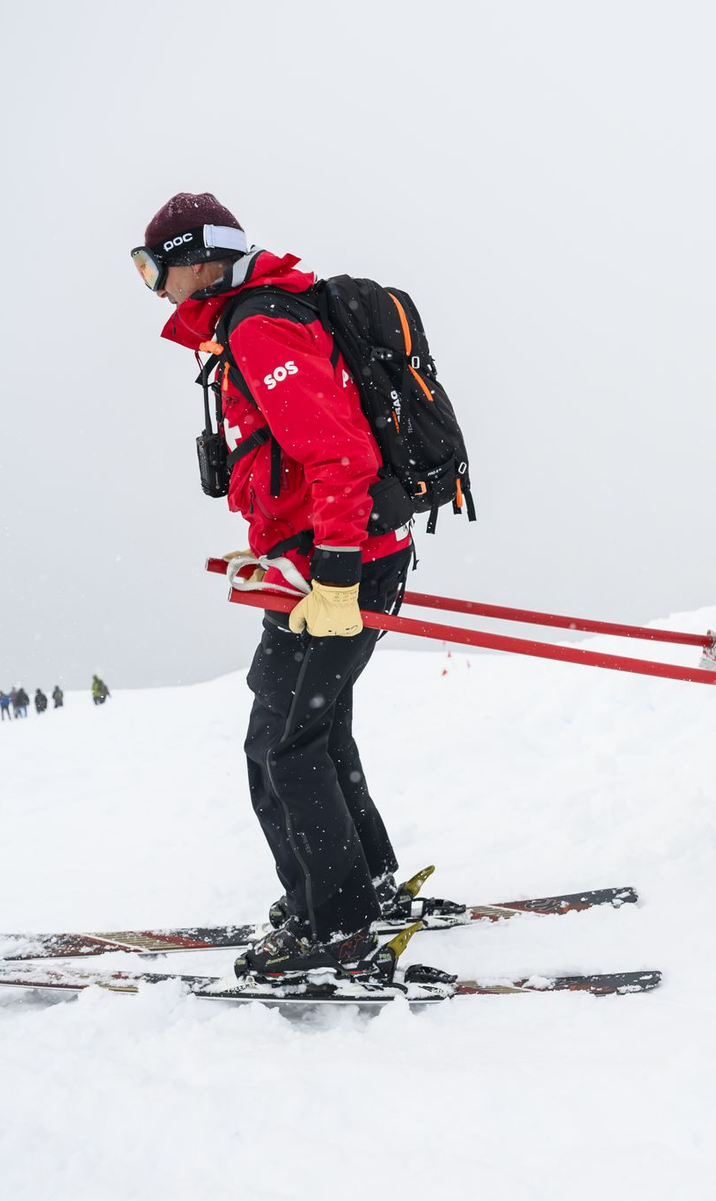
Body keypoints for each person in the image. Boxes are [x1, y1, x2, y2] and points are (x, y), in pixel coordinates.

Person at [130, 192, 421, 986]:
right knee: (312, 732)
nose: (152, 284)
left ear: (197, 261)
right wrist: (277, 546)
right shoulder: (258, 318)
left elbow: (340, 457)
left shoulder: (260, 326)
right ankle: (368, 887)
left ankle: (337, 927)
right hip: (338, 551)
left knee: (281, 747)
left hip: (343, 558)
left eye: (154, 265)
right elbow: (289, 459)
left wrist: (330, 574)